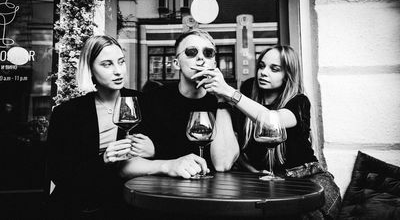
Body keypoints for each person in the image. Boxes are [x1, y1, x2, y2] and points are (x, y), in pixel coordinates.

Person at [191, 45, 341, 219]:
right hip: (268, 185)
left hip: (309, 181)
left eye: (274, 69)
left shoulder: (299, 102)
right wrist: (221, 99)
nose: (264, 72)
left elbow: (271, 121)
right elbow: (228, 156)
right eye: (261, 66)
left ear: (288, 75)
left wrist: (230, 92)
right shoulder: (247, 93)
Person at [47, 35, 154, 219]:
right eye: (107, 64)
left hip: (131, 204)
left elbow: (173, 147)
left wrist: (154, 149)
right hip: (81, 208)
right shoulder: (68, 113)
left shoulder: (144, 103)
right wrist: (103, 159)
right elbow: (59, 174)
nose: (118, 71)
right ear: (90, 69)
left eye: (121, 62)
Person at [121, 29, 239, 179]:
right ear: (176, 63)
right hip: (161, 193)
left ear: (214, 63)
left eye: (208, 53)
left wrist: (222, 98)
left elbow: (223, 164)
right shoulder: (153, 100)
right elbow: (126, 166)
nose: (201, 58)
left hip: (212, 194)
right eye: (191, 52)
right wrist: (168, 163)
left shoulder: (223, 104)